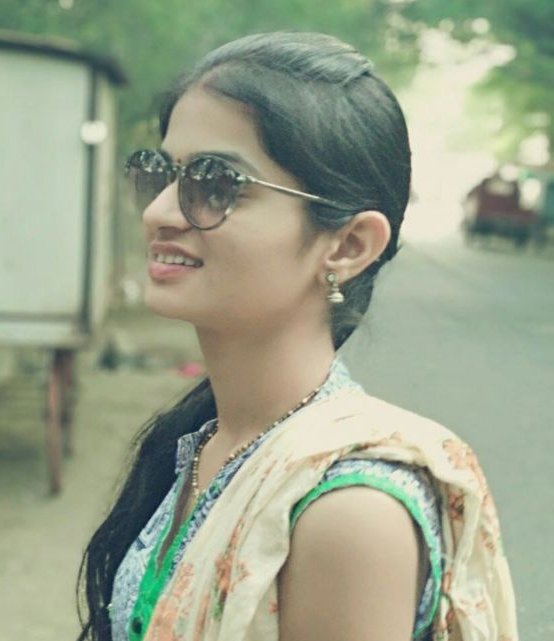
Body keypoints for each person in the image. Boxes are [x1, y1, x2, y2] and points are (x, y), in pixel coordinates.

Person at [77, 32, 517, 641]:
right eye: (160, 174)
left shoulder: (348, 512)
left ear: (348, 246)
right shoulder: (207, 441)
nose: (159, 213)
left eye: (216, 183)